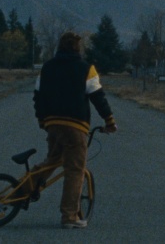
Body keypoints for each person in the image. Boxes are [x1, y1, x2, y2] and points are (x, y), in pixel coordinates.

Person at [33, 31, 117, 229]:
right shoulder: (86, 69)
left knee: (51, 161)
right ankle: (69, 216)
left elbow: (38, 96)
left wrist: (42, 120)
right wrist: (110, 121)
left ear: (60, 46)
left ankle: (21, 191)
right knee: (75, 170)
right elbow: (98, 98)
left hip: (53, 124)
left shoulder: (47, 67)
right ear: (78, 48)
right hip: (75, 127)